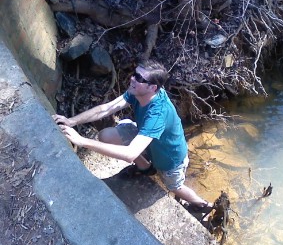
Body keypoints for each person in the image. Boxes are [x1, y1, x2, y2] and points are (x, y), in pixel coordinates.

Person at [53, 60, 213, 213]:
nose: (132, 79)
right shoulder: (137, 91)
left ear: (152, 87)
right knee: (106, 135)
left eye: (139, 78)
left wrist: (81, 141)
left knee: (175, 187)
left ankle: (203, 204)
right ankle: (146, 168)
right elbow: (106, 109)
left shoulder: (157, 113)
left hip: (170, 158)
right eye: (135, 74)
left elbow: (130, 153)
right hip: (148, 140)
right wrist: (71, 121)